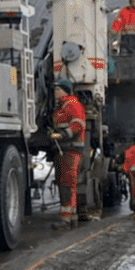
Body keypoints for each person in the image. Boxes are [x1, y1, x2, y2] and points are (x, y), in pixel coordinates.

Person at [51, 78, 86, 229]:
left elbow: (78, 124)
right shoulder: (62, 106)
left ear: (64, 90)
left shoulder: (72, 104)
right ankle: (70, 216)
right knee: (64, 181)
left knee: (67, 182)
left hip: (71, 149)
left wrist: (62, 135)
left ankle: (66, 219)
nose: (55, 92)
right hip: (64, 149)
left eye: (57, 89)